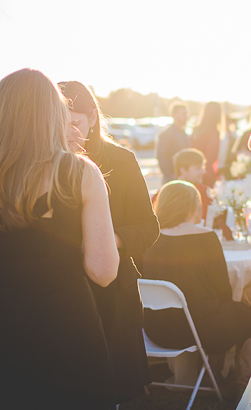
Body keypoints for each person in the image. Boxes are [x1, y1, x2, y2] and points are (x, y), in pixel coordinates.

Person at [0, 68, 119, 410]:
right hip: (68, 327)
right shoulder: (80, 172)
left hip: (0, 326)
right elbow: (104, 271)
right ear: (54, 113)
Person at [59, 81, 160, 404]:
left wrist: (109, 239)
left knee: (115, 388)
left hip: (114, 291)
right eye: (60, 123)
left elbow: (149, 226)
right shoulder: (47, 165)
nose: (69, 132)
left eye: (74, 123)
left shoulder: (122, 160)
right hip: (62, 289)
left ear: (92, 118)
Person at [142, 180, 251, 396]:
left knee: (220, 312)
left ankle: (213, 370)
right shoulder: (206, 237)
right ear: (190, 206)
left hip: (156, 329)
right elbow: (223, 290)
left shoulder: (148, 237)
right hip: (199, 329)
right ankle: (241, 384)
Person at [191, 101, 224, 187]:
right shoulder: (214, 132)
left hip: (193, 170)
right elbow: (211, 156)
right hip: (207, 171)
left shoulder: (196, 129)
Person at [156, 102, 189, 183]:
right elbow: (162, 157)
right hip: (172, 180)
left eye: (187, 114)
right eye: (183, 114)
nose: (186, 117)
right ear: (175, 115)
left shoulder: (185, 134)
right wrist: (171, 178)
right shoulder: (166, 134)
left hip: (184, 179)